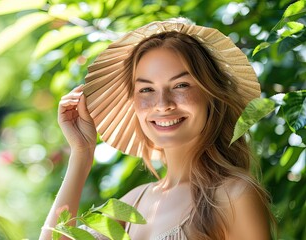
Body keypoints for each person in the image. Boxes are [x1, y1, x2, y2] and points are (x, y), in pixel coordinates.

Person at [39, 18, 274, 240]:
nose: (163, 104)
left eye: (181, 85)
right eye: (146, 90)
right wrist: (81, 154)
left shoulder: (234, 196)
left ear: (211, 94)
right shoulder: (134, 203)